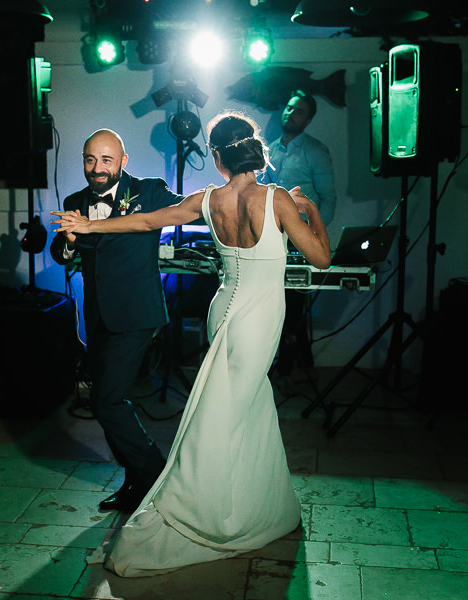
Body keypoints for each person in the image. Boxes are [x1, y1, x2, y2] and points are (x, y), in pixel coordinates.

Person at [51, 111, 330, 576]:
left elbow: (144, 222)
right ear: (252, 149)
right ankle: (205, 506)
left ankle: (245, 498)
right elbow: (321, 258)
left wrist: (91, 227)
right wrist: (311, 211)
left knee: (242, 406)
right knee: (233, 412)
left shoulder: (208, 199)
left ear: (217, 157)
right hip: (261, 317)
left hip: (223, 311)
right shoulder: (279, 200)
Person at [48, 129, 183, 513]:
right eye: (90, 159)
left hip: (137, 313)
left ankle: (158, 481)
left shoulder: (149, 190)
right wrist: (71, 240)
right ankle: (135, 484)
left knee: (107, 401)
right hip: (99, 315)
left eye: (106, 160)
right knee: (111, 402)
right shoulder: (76, 201)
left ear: (123, 162)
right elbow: (60, 253)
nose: (97, 168)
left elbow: (190, 207)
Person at [263, 89, 337, 380]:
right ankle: (291, 364)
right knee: (274, 301)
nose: (290, 113)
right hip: (272, 237)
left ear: (308, 121)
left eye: (299, 111)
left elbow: (328, 199)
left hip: (300, 237)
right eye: (289, 107)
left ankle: (288, 368)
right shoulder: (269, 149)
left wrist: (313, 234)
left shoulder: (315, 151)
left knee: (293, 303)